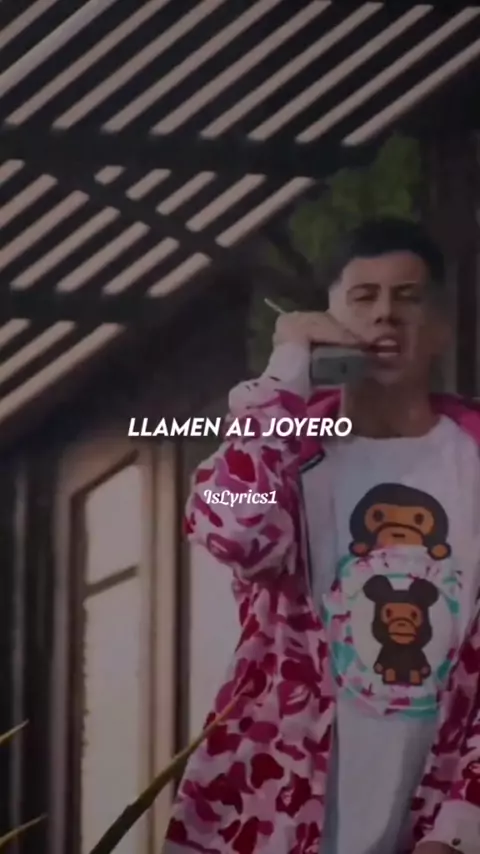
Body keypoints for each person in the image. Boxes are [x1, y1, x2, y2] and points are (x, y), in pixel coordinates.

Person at [164, 218, 480, 854]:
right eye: (363, 298)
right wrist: (285, 376)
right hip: (271, 815)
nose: (385, 314)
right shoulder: (288, 453)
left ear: (442, 326)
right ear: (327, 322)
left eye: (408, 297)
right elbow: (230, 527)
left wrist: (457, 832)